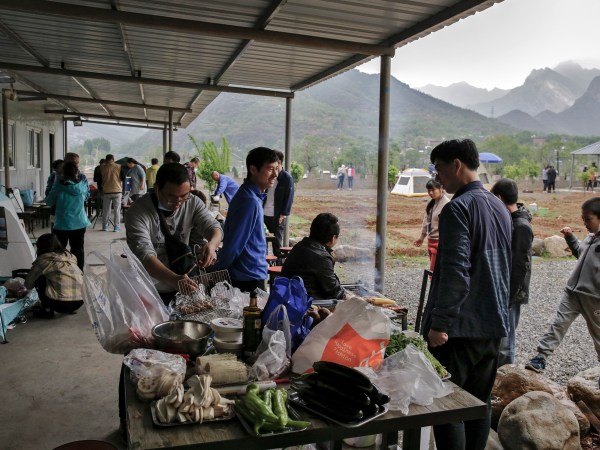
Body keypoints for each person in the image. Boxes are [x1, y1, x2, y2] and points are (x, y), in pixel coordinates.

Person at [421, 138, 512, 450]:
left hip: (461, 328)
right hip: (493, 324)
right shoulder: (499, 206)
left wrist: (440, 324)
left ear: (456, 165)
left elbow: (456, 272)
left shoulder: (457, 208)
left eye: (440, 169)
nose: (439, 177)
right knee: (479, 404)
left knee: (448, 406)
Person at [125, 162, 222, 304]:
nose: (178, 203)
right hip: (149, 288)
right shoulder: (138, 212)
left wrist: (212, 245)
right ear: (157, 188)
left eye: (184, 196)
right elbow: (145, 255)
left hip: (183, 284)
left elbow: (214, 227)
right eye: (171, 197)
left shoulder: (193, 203)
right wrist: (173, 280)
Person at [526, 197, 600, 379]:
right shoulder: (591, 238)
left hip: (594, 298)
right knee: (558, 324)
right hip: (573, 293)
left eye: (588, 219)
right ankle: (541, 357)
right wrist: (570, 238)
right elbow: (579, 253)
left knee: (598, 333)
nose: (585, 223)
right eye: (583, 219)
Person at [212, 147, 279, 292]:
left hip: (251, 273)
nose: (275, 174)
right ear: (253, 169)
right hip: (247, 278)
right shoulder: (249, 201)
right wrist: (216, 270)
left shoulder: (251, 196)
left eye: (276, 168)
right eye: (270, 169)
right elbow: (234, 245)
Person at [491, 178, 533, 366]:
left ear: (499, 198)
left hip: (511, 291)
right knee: (500, 333)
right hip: (504, 288)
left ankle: (505, 376)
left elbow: (519, 266)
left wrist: (509, 296)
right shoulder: (511, 220)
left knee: (506, 339)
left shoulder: (521, 227)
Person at [281, 213, 348, 300]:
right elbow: (335, 292)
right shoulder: (322, 257)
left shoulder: (299, 246)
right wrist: (356, 299)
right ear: (333, 238)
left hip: (288, 298)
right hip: (305, 305)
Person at [24, 233, 84, 318]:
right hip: (80, 301)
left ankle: (47, 309)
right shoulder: (71, 257)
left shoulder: (42, 261)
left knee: (40, 278)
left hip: (60, 304)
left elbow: (28, 284)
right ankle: (71, 308)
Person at [45, 161, 91, 270]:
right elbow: (85, 197)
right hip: (79, 223)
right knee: (78, 250)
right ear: (76, 172)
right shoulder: (83, 185)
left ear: (63, 173)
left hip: (62, 224)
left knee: (59, 251)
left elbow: (49, 202)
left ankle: (61, 273)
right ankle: (79, 273)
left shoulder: (58, 186)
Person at [414, 178, 450, 273]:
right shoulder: (431, 203)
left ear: (441, 188)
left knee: (434, 271)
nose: (430, 193)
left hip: (440, 242)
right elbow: (426, 221)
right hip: (430, 241)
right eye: (429, 190)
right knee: (434, 271)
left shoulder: (447, 204)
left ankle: (434, 287)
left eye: (433, 190)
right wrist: (422, 237)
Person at [263, 150, 294, 257]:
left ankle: (277, 268)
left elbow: (289, 197)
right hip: (264, 213)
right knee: (263, 242)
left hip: (277, 216)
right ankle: (265, 266)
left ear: (279, 162)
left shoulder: (286, 178)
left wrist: (283, 214)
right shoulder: (269, 175)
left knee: (277, 244)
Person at [100, 154, 124, 232]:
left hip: (106, 191)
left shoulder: (102, 167)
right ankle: (116, 227)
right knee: (117, 210)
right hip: (117, 191)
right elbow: (123, 178)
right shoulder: (119, 166)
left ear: (106, 160)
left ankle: (105, 226)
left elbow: (98, 179)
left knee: (106, 210)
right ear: (113, 159)